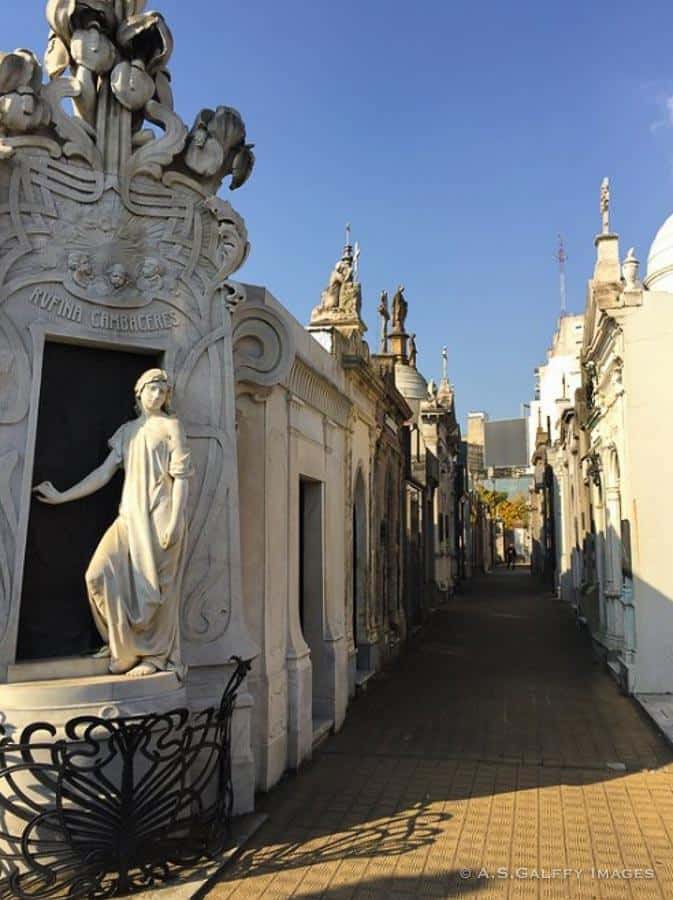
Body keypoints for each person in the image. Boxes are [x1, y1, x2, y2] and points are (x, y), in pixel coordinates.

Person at [33, 369, 192, 679]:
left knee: (156, 593)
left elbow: (182, 478)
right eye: (152, 389)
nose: (157, 396)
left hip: (161, 515)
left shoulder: (172, 427)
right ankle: (123, 647)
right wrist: (63, 496)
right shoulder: (128, 431)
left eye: (162, 391)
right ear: (139, 392)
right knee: (97, 574)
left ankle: (155, 656)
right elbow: (104, 473)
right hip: (130, 517)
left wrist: (175, 521)